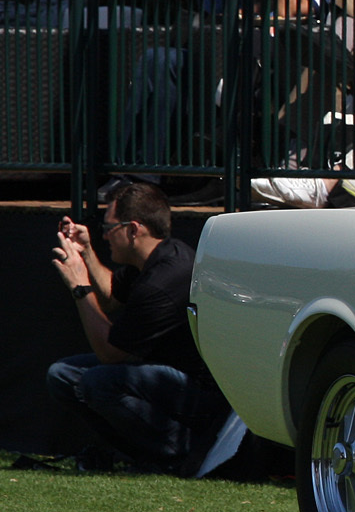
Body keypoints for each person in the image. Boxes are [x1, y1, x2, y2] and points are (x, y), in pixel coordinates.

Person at [44, 182, 230, 475]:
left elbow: (109, 353)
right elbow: (111, 296)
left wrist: (80, 287)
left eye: (110, 228)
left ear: (133, 229)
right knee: (62, 375)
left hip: (199, 392)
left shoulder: (164, 281)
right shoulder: (154, 258)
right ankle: (135, 454)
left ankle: (175, 454)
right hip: (163, 371)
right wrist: (87, 251)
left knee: (99, 381)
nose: (105, 235)